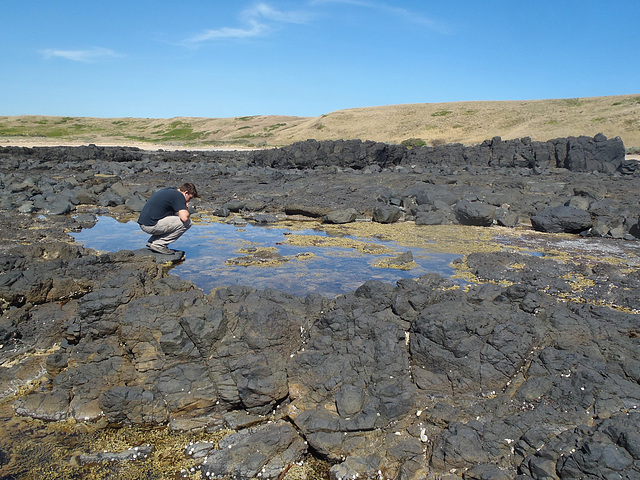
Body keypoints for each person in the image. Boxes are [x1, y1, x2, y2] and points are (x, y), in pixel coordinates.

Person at [137, 182, 198, 254]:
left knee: (175, 217)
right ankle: (159, 244)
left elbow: (168, 210)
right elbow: (184, 218)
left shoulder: (171, 190)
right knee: (187, 222)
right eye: (190, 198)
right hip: (150, 225)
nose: (189, 201)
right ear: (186, 192)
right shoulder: (179, 196)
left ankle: (152, 241)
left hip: (145, 223)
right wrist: (185, 209)